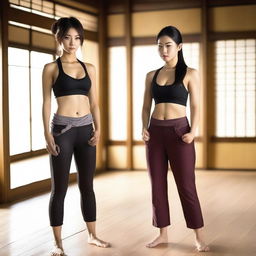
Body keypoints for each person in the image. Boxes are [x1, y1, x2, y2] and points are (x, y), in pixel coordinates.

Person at [42, 17, 110, 256]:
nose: (73, 42)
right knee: (58, 189)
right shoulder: (51, 68)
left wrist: (99, 129)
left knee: (87, 186)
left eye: (77, 37)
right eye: (68, 37)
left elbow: (95, 103)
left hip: (86, 129)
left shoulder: (88, 67)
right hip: (63, 131)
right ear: (59, 38)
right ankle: (57, 243)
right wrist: (47, 133)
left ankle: (92, 235)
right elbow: (46, 101)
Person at [141, 26, 209, 252]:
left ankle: (198, 236)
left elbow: (197, 106)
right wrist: (143, 127)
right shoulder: (152, 75)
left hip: (180, 134)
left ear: (179, 47)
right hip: (155, 134)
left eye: (168, 45)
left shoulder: (190, 73)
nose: (163, 50)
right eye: (160, 46)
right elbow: (145, 106)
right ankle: (162, 233)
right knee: (157, 186)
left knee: (187, 186)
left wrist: (193, 131)